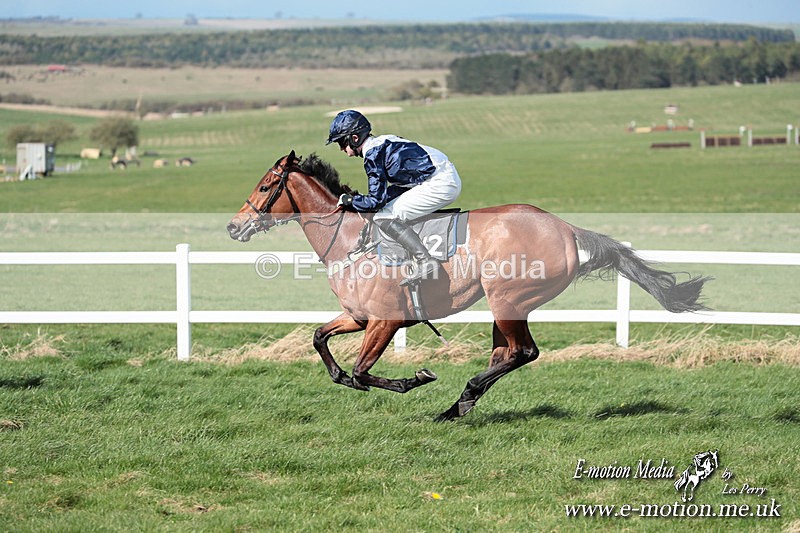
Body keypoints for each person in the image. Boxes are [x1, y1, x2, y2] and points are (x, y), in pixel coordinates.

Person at [326, 109, 462, 285]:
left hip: (440, 183)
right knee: (387, 207)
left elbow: (376, 201)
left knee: (384, 216)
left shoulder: (373, 155)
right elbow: (387, 193)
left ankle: (424, 260)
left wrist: (351, 200)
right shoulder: (382, 142)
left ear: (355, 138)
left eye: (341, 143)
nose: (342, 149)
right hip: (439, 176)